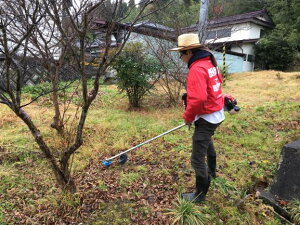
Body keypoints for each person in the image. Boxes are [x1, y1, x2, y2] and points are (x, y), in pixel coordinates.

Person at [170, 33, 225, 203]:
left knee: (196, 158)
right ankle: (213, 172)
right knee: (207, 142)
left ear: (189, 52)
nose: (181, 58)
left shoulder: (197, 68)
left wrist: (188, 117)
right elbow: (216, 86)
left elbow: (199, 99)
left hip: (207, 117)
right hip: (216, 114)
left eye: (181, 54)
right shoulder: (209, 63)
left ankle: (200, 195)